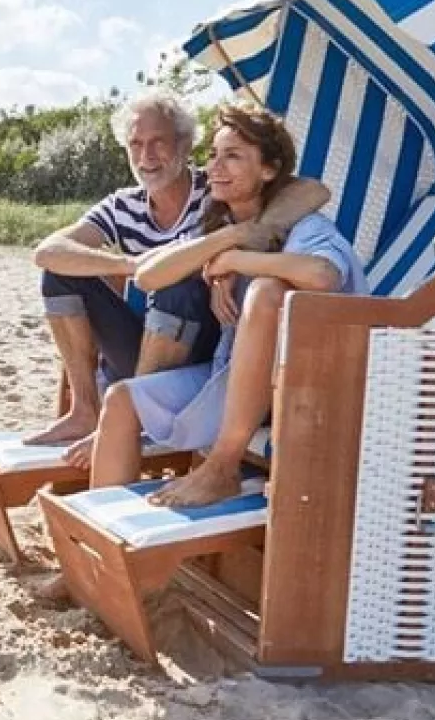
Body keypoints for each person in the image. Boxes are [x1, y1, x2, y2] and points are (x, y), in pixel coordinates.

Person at [89, 103, 367, 507]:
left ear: (269, 170)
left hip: (305, 387)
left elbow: (323, 275)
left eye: (233, 156)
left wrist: (237, 261)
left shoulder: (307, 227)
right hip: (236, 376)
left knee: (268, 291)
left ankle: (223, 465)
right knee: (121, 400)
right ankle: (103, 545)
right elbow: (148, 277)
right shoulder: (223, 226)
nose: (216, 167)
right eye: (214, 155)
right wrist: (227, 243)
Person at [25, 90, 330, 450]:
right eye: (135, 144)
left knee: (179, 285)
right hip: (148, 345)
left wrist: (236, 249)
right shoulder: (123, 206)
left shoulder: (216, 187)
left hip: (206, 347)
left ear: (185, 145)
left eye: (158, 143)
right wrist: (130, 264)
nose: (146, 156)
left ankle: (134, 417)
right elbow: (49, 251)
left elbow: (312, 190)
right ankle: (87, 409)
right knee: (60, 275)